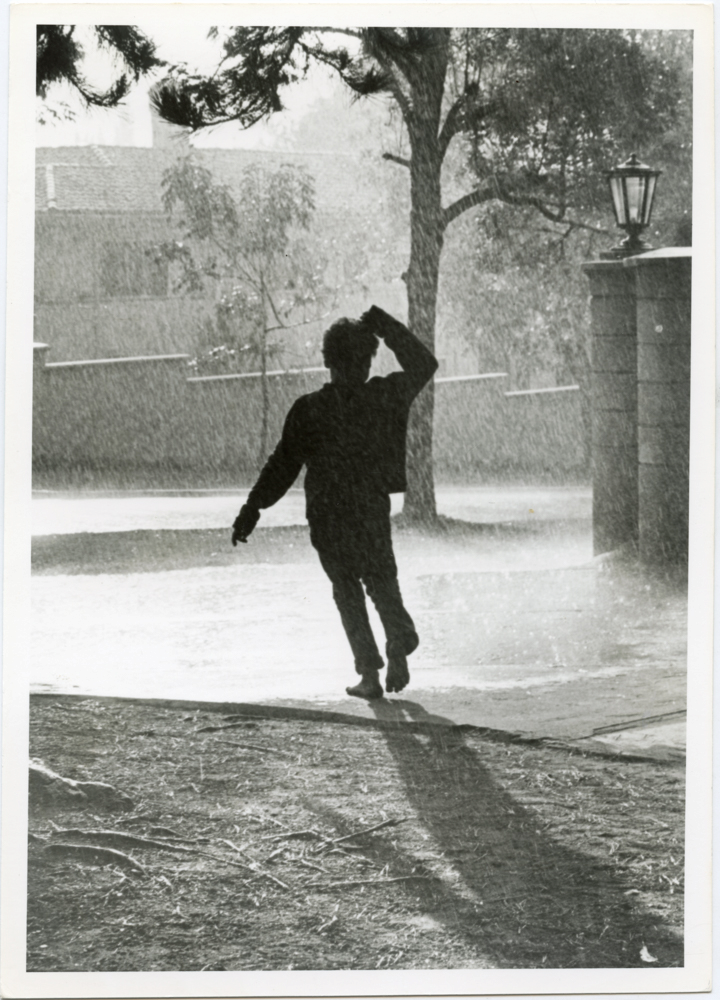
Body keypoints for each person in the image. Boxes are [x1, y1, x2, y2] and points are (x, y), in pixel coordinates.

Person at [232, 305, 438, 700]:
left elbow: (283, 465)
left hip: (328, 515)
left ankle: (369, 673)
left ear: (327, 361)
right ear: (367, 362)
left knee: (347, 591)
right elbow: (424, 363)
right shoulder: (384, 396)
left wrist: (253, 508)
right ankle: (399, 636)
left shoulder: (309, 409)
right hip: (370, 507)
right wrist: (384, 324)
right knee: (382, 581)